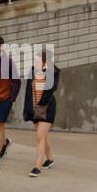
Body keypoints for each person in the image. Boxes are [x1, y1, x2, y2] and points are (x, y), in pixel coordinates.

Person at [23, 49, 60, 178]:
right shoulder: (33, 71)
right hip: (34, 107)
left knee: (40, 136)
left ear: (45, 62)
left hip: (46, 107)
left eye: (37, 60)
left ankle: (37, 167)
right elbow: (28, 91)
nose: (35, 62)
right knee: (43, 136)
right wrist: (28, 109)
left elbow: (51, 88)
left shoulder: (52, 72)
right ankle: (50, 158)